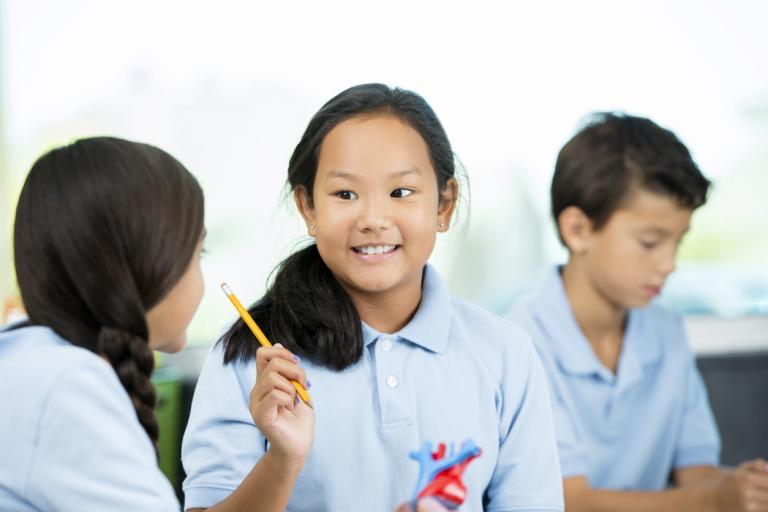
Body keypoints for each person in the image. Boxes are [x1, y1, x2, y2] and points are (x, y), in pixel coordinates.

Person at [181, 83, 564, 512]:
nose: (374, 220)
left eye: (401, 192)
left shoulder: (505, 355)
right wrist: (283, 458)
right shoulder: (251, 357)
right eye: (345, 194)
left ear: (444, 205)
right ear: (308, 208)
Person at [508, 113, 768, 512]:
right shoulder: (521, 342)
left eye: (677, 242)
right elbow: (570, 501)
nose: (669, 264)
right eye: (650, 242)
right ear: (578, 230)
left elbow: (697, 475)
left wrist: (745, 487)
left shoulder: (666, 330)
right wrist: (716, 500)